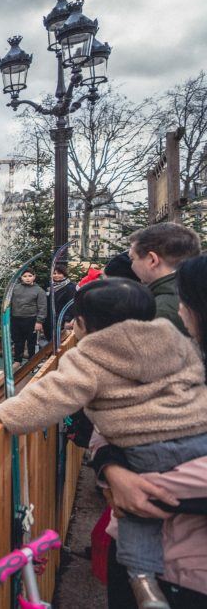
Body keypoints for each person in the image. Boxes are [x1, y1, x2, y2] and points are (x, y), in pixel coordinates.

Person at [0, 278, 207, 609]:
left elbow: (54, 395)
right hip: (197, 437)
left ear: (81, 324)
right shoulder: (174, 340)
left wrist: (9, 415)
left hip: (145, 450)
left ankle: (142, 581)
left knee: (136, 513)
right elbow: (194, 379)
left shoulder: (91, 355)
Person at [94, 255, 207, 608]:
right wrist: (112, 470)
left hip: (192, 576)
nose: (180, 310)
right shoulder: (181, 355)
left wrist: (139, 487)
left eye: (184, 300)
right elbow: (113, 415)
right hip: (134, 552)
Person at [129, 222, 202, 335]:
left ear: (152, 260)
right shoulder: (196, 293)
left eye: (132, 258)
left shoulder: (159, 312)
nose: (131, 265)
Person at [9, 267, 47, 363]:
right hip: (16, 319)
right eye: (25, 276)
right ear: (21, 277)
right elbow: (8, 303)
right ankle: (17, 361)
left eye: (30, 276)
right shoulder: (15, 288)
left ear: (34, 277)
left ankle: (32, 362)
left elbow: (42, 307)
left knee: (31, 342)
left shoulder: (39, 290)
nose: (27, 278)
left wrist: (39, 321)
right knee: (17, 341)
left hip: (31, 320)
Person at [45, 264, 77, 339]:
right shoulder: (49, 286)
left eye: (59, 273)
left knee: (61, 341)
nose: (56, 275)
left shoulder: (70, 287)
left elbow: (71, 305)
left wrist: (67, 320)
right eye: (54, 273)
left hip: (61, 320)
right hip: (49, 320)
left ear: (64, 274)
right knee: (50, 341)